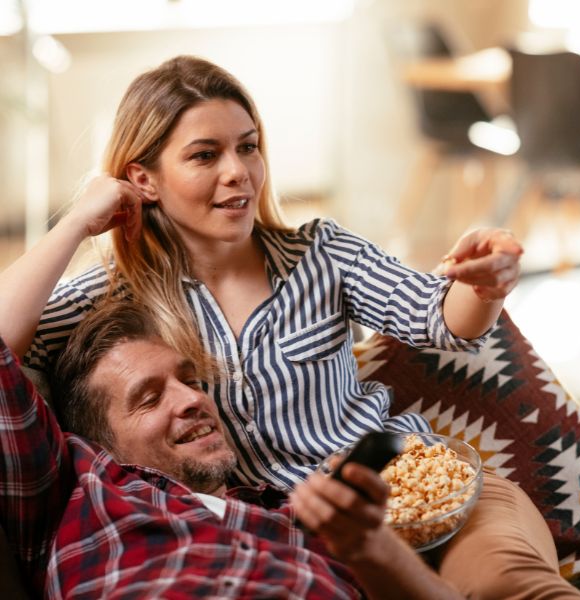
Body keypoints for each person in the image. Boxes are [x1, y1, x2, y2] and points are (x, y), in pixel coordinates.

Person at [0, 55, 523, 491]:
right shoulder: (112, 295)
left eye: (247, 147)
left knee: (516, 579)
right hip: (282, 532)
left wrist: (484, 285)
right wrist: (75, 223)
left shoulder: (323, 252)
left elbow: (443, 319)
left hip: (406, 479)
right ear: (144, 180)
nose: (239, 171)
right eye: (205, 155)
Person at [0, 301, 580, 599]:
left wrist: (373, 549)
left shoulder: (295, 514)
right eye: (149, 397)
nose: (192, 401)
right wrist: (83, 217)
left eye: (191, 380)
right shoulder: (77, 492)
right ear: (93, 443)